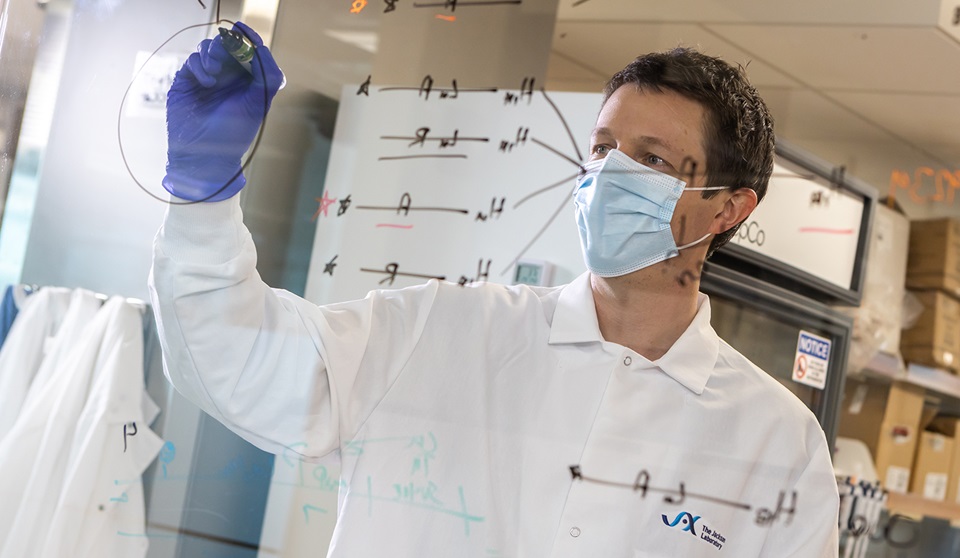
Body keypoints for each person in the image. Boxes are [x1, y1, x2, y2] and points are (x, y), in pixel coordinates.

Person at [151, 22, 840, 557]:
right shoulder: (439, 331)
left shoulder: (777, 445)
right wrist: (204, 193)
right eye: (602, 149)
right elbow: (233, 360)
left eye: (653, 159)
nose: (609, 176)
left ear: (727, 210)